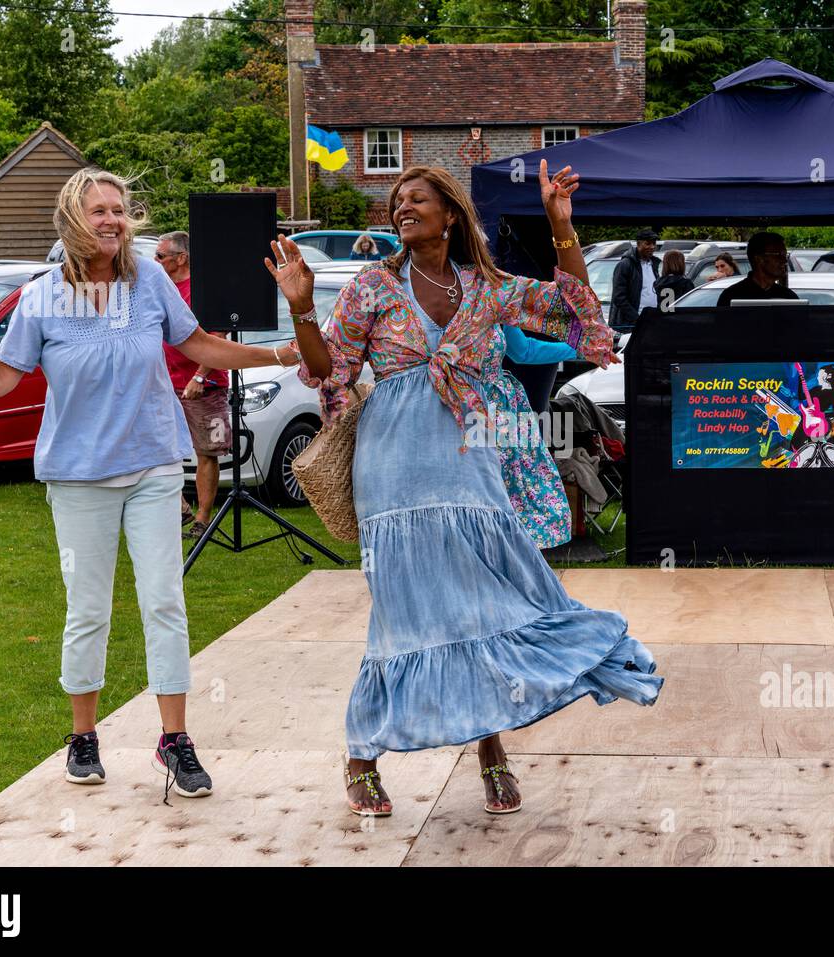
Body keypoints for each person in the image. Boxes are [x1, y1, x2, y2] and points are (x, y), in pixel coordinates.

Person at [267, 161, 663, 817]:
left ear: (450, 215)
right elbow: (325, 368)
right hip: (393, 472)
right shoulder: (372, 285)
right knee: (404, 611)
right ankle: (362, 755)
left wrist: (562, 226)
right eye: (396, 201)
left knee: (484, 606)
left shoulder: (488, 287)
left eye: (416, 198)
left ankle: (490, 747)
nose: (402, 207)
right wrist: (302, 303)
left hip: (472, 464)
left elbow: (574, 312)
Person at [0, 168, 302, 800]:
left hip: (153, 464)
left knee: (163, 600)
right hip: (78, 475)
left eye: (119, 209)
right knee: (88, 609)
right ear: (72, 221)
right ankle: (83, 737)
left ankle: (175, 739)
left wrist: (280, 354)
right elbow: (3, 378)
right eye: (99, 211)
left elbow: (199, 344)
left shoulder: (151, 281)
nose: (113, 220)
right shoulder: (41, 298)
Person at [156, 230, 230, 540]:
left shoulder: (202, 290)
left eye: (160, 256)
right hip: (165, 383)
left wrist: (200, 376)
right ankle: (181, 508)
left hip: (205, 386)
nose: (155, 261)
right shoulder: (160, 289)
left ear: (181, 258)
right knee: (160, 451)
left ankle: (202, 519)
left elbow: (218, 336)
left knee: (205, 452)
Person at [718, 232, 799, 304]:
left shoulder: (789, 297)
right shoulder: (730, 296)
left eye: (784, 254)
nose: (784, 260)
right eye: (778, 255)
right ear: (759, 259)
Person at [609, 228, 661, 327]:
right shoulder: (625, 265)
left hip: (651, 320)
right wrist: (636, 318)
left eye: (654, 244)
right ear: (638, 244)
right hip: (631, 324)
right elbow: (619, 297)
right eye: (648, 243)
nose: (652, 247)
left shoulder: (654, 264)